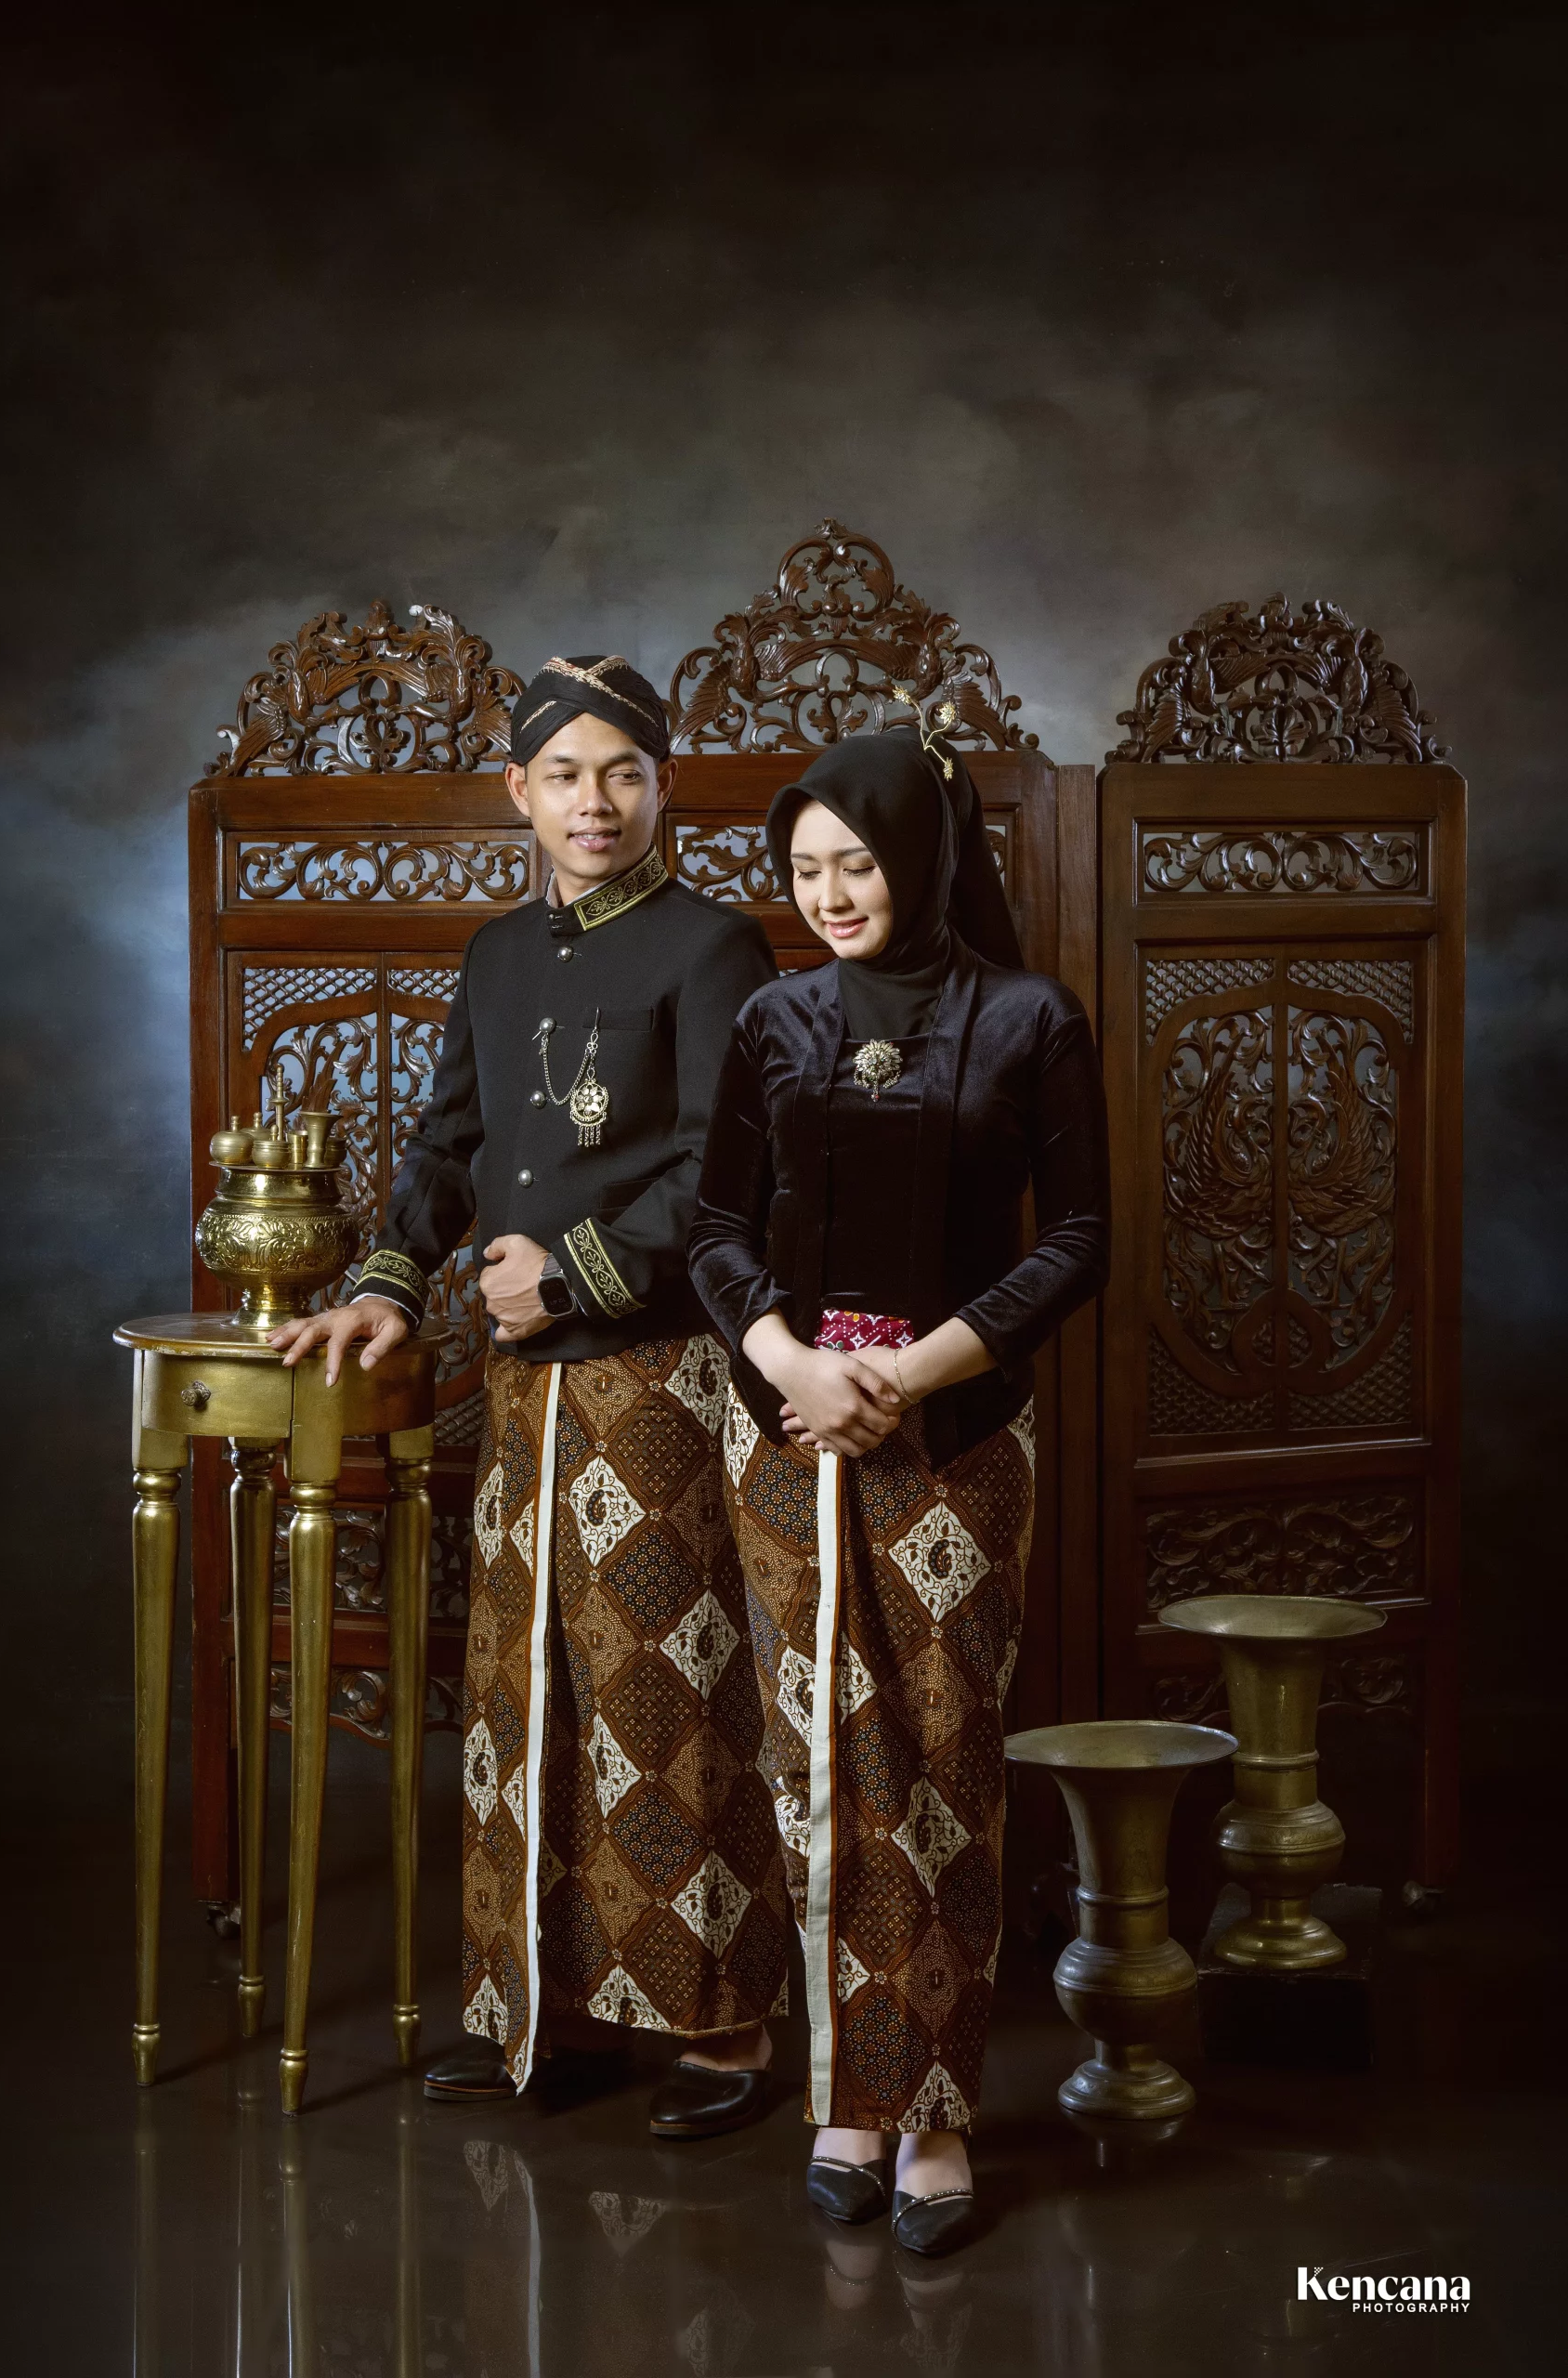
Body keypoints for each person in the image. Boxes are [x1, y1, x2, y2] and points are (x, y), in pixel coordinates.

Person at [271, 655, 788, 2141]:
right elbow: (448, 1144)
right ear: (519, 792)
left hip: (662, 1380)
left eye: (622, 772)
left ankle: (723, 2030)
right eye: (564, 774)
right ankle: (555, 2016)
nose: (594, 802)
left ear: (663, 785)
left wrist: (568, 1275)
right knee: (528, 1694)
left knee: (667, 1691)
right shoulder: (497, 952)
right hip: (520, 1394)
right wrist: (385, 1285)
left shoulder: (716, 946)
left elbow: (730, 1166)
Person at [688, 721, 1110, 2253]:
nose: (829, 896)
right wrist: (791, 1366)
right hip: (787, 1439)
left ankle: (930, 2113)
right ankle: (842, 2103)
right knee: (813, 1769)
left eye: (856, 863)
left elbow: (1078, 1237)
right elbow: (716, 1227)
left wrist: (907, 1373)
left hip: (956, 1443)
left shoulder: (1028, 1018)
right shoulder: (776, 1019)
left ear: (924, 858)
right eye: (804, 869)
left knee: (935, 1770)